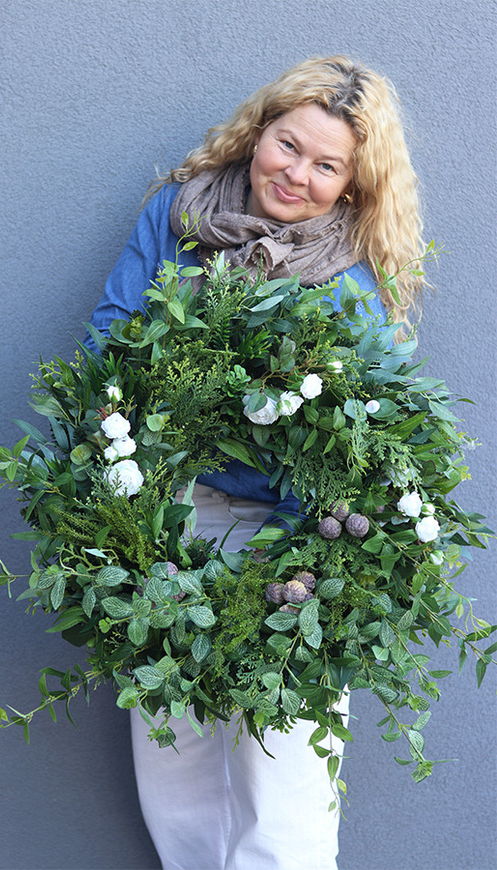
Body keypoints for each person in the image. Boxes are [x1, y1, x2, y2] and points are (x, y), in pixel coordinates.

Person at [86, 55, 427, 870]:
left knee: (283, 772)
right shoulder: (179, 212)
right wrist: (131, 503)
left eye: (325, 165)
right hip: (170, 509)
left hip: (297, 530)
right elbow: (109, 338)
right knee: (175, 763)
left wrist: (290, 565)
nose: (295, 174)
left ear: (351, 183)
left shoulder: (350, 279)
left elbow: (356, 444)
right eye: (286, 145)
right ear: (256, 133)